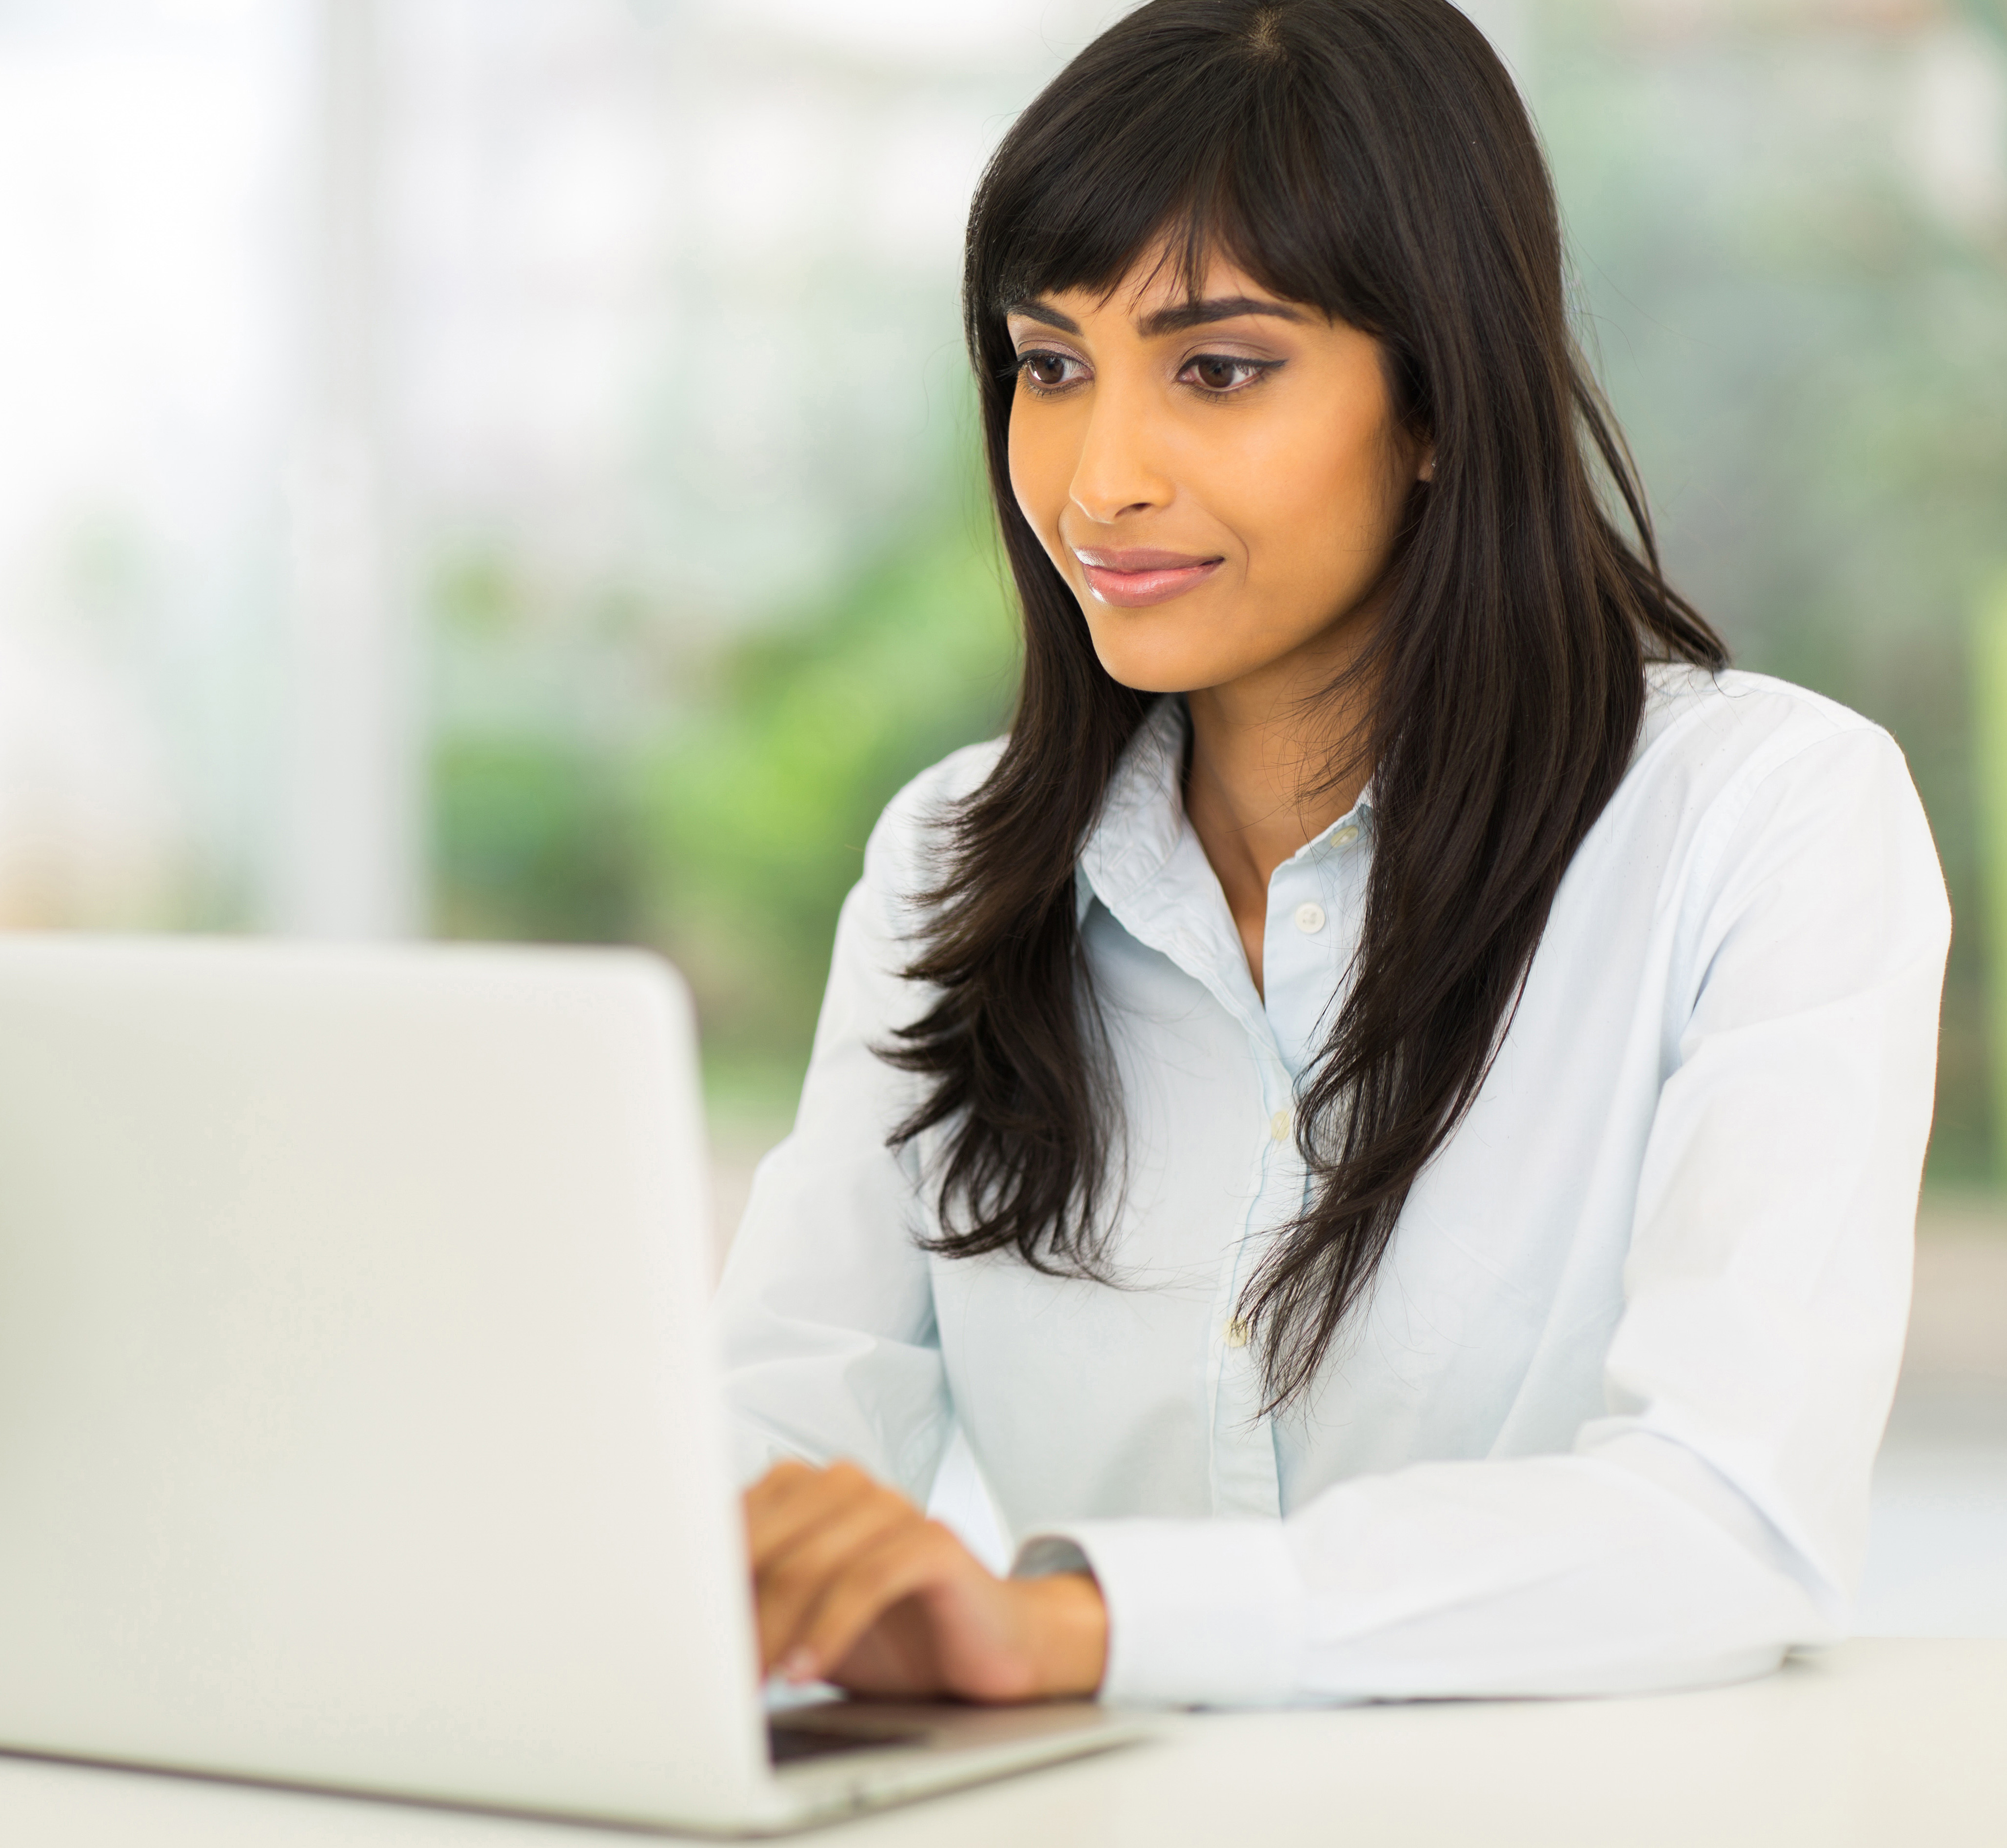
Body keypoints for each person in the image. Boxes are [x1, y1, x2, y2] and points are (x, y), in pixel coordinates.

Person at [713, 0, 1950, 1710]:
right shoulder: (950, 858)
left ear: (1437, 398)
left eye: (1216, 369)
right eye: (1051, 365)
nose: (1098, 479)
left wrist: (1084, 1625)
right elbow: (773, 1437)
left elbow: (1725, 1513)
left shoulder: (1763, 821)